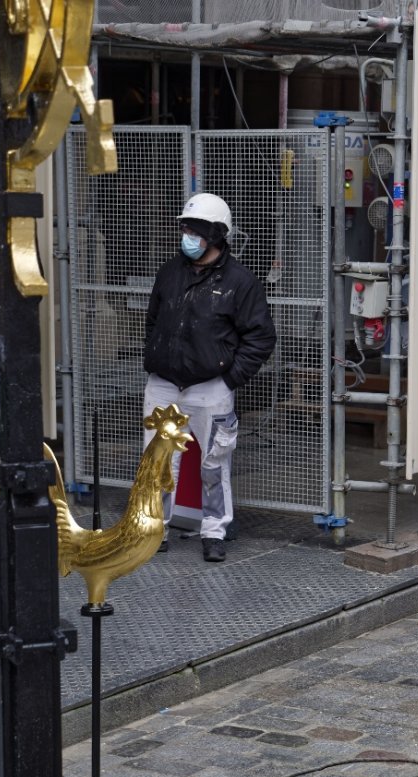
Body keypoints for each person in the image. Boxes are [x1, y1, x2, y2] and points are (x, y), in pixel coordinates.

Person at [143, 193, 276, 563]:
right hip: (163, 382)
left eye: (195, 230)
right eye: (185, 228)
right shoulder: (170, 272)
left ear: (217, 235)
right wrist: (153, 356)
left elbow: (261, 337)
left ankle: (214, 532)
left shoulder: (240, 282)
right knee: (157, 461)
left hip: (211, 388)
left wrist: (230, 378)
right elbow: (153, 319)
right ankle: (155, 530)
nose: (187, 235)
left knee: (214, 464)